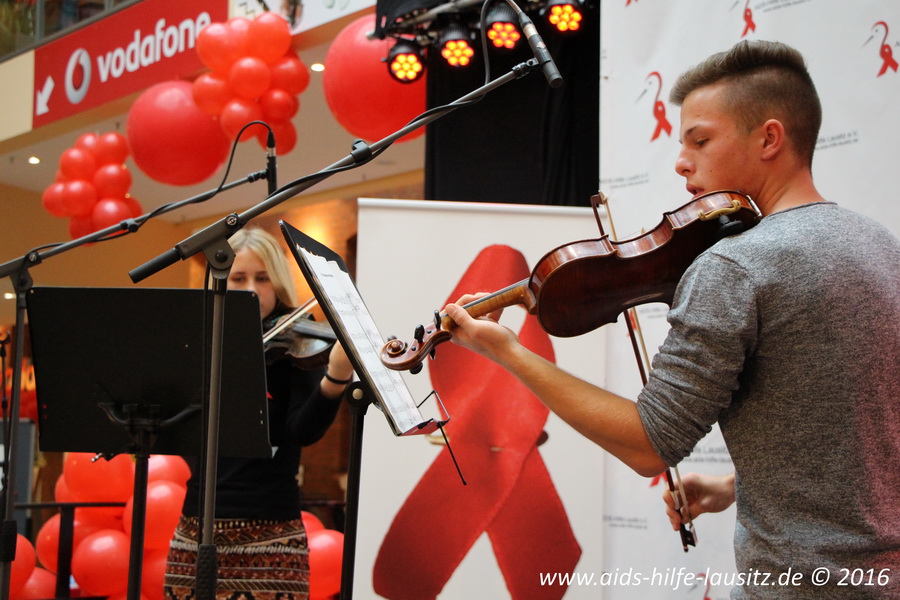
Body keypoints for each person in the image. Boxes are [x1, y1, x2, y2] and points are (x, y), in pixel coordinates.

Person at [442, 40, 900, 598]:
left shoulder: (736, 265)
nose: (682, 162)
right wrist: (738, 485)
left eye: (700, 141)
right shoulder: (880, 244)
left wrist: (507, 351)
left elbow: (648, 444)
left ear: (769, 139)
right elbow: (859, 429)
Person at [164, 227, 355, 600]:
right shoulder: (198, 341)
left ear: (278, 284)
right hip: (195, 525)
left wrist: (335, 378)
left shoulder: (297, 342)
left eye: (262, 278)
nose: (250, 289)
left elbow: (302, 431)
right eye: (238, 278)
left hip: (273, 533)